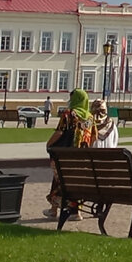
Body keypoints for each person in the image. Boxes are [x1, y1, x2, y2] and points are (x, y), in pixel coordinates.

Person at [43, 89, 96, 219]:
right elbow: (94, 136)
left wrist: (49, 144)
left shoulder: (69, 114)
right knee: (76, 182)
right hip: (82, 159)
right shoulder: (90, 117)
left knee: (59, 178)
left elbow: (60, 132)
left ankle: (55, 209)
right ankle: (75, 211)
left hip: (66, 155)